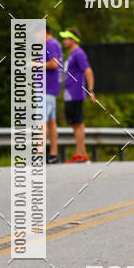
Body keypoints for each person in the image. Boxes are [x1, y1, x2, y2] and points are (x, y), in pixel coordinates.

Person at [59, 28, 96, 163]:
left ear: (73, 40)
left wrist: (91, 90)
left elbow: (88, 70)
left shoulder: (79, 53)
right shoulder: (72, 54)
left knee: (78, 123)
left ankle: (80, 156)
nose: (64, 41)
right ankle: (82, 154)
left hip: (76, 93)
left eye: (66, 38)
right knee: (75, 124)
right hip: (69, 93)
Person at [45, 24, 63, 164]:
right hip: (52, 89)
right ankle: (53, 154)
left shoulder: (50, 44)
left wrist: (35, 64)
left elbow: (54, 64)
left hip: (47, 89)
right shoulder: (55, 43)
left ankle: (38, 155)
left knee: (42, 121)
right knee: (51, 122)